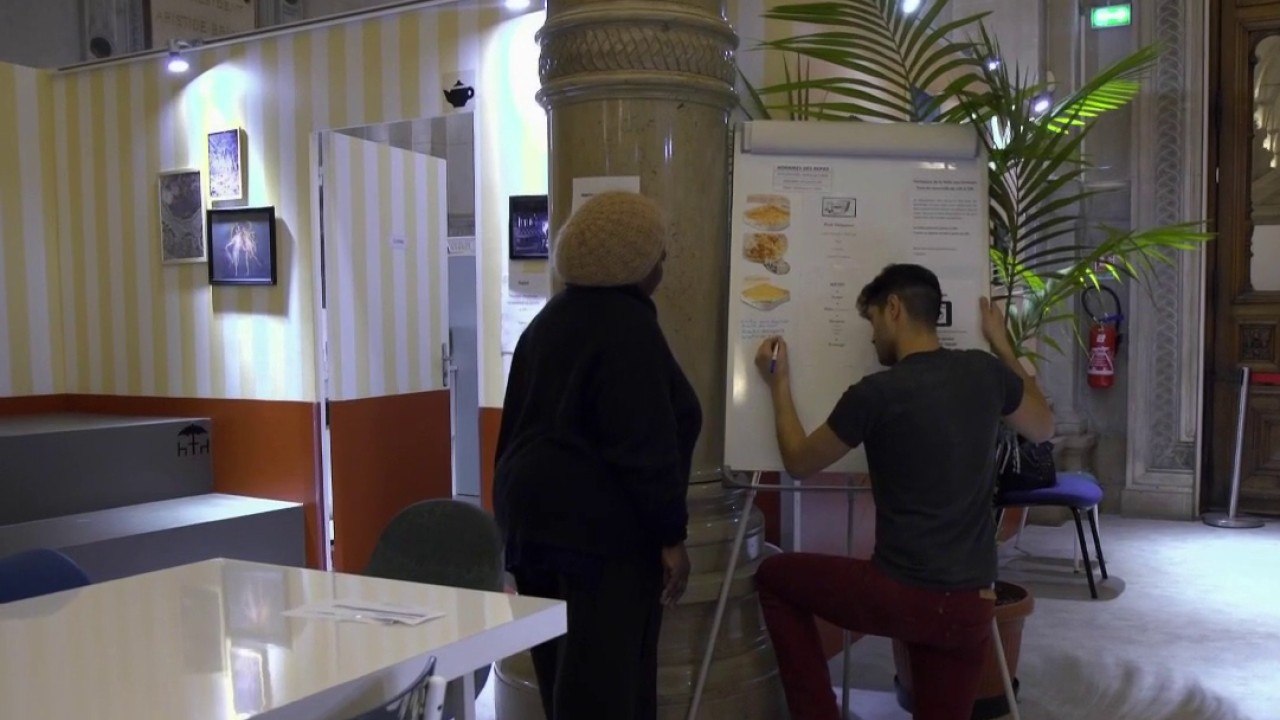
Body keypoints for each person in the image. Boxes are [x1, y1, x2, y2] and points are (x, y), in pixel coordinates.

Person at [751, 263, 1055, 720]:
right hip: (971, 602)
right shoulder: (984, 372)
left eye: (872, 321)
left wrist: (778, 384)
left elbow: (798, 461)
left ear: (893, 309)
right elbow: (1043, 425)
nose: (872, 338)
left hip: (902, 595)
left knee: (774, 578)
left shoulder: (876, 394)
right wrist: (1001, 343)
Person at [494, 191, 702, 720]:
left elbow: (514, 429)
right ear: (632, 263)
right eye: (657, 253)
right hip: (601, 538)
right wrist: (670, 536)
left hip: (533, 528)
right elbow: (644, 444)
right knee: (607, 689)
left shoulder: (547, 323)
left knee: (563, 676)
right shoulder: (628, 328)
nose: (664, 262)